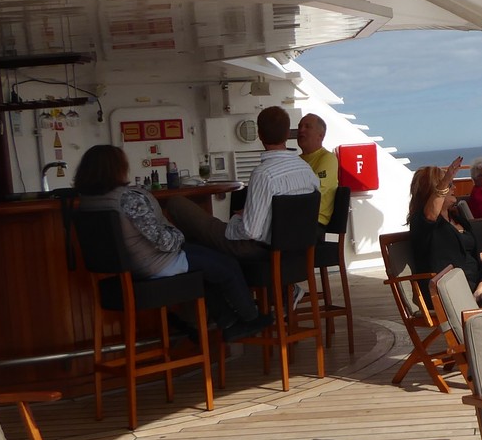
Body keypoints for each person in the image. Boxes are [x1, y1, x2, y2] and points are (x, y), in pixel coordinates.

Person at [74, 145, 273, 341]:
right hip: (155, 263)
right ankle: (250, 318)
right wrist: (179, 234)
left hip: (130, 267)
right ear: (116, 168)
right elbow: (164, 241)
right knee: (226, 265)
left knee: (206, 268)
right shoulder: (128, 199)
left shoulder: (87, 202)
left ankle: (228, 322)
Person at [164, 106, 317, 263]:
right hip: (298, 249)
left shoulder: (263, 174)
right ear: (287, 134)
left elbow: (251, 232)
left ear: (259, 135)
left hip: (258, 249)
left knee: (177, 204)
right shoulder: (307, 170)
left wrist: (237, 219)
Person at [407, 158, 482, 306]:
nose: (454, 187)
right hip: (450, 285)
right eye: (449, 185)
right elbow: (430, 215)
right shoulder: (422, 223)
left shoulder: (457, 218)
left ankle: (480, 293)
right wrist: (446, 177)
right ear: (434, 191)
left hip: (476, 278)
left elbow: (474, 250)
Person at [295, 112, 339, 230]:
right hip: (294, 218)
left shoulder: (328, 158)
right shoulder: (296, 160)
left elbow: (315, 190)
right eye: (300, 127)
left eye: (307, 127)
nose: (301, 130)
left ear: (321, 135)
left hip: (313, 222)